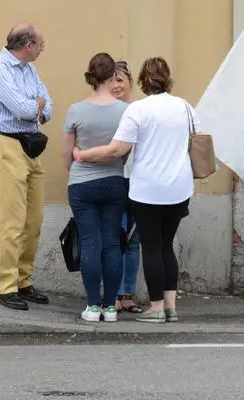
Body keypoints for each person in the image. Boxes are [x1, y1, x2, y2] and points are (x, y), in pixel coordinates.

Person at [74, 57, 193, 324]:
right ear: (168, 79)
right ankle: (171, 308)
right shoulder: (184, 107)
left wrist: (82, 156)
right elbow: (194, 141)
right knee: (166, 246)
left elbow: (116, 149)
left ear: (140, 81)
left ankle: (155, 307)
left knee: (150, 247)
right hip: (179, 187)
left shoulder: (138, 110)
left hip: (148, 188)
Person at [0, 23, 53, 311]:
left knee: (33, 219)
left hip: (30, 145)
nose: (42, 49)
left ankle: (24, 281)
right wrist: (35, 105)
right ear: (28, 46)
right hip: (6, 143)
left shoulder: (28, 70)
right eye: (41, 44)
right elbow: (23, 110)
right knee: (13, 219)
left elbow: (48, 107)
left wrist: (37, 105)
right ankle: (7, 286)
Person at [62, 53, 129, 322]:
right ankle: (111, 307)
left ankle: (92, 306)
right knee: (112, 243)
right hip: (114, 181)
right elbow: (124, 153)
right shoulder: (125, 111)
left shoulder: (76, 110)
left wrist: (81, 163)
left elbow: (66, 155)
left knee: (90, 242)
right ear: (113, 75)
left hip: (82, 182)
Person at [110, 60, 143, 314]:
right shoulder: (103, 110)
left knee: (132, 241)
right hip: (112, 180)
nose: (115, 85)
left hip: (137, 181)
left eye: (120, 79)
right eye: (110, 80)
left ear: (130, 83)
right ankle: (112, 292)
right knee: (113, 238)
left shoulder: (140, 110)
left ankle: (127, 292)